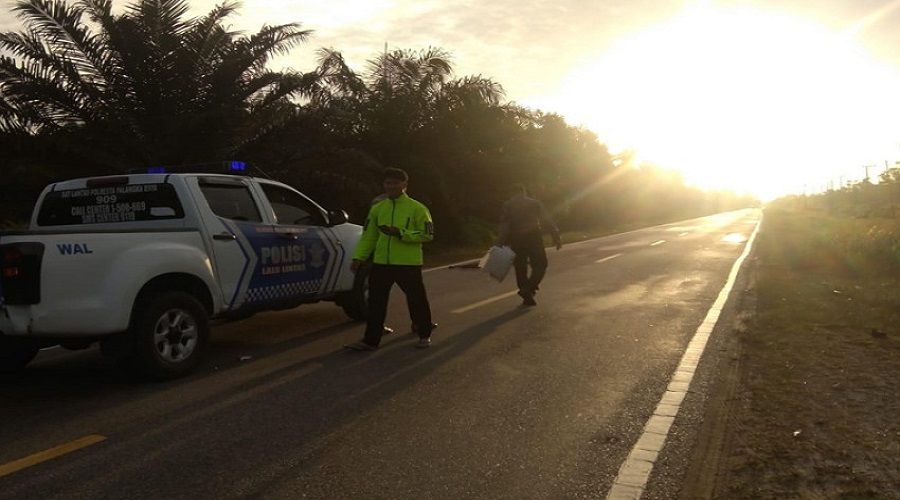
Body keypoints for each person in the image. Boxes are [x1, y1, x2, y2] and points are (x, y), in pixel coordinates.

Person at [345, 168, 436, 350]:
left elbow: (428, 235)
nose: (391, 186)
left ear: (404, 185)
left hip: (407, 263)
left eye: (395, 183)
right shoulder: (378, 209)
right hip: (382, 263)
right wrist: (359, 257)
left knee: (417, 299)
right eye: (388, 183)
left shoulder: (417, 208)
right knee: (375, 302)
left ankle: (424, 334)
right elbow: (369, 236)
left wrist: (401, 233)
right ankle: (371, 340)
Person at [498, 184, 562, 306]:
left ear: (512, 193)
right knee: (540, 264)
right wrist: (556, 236)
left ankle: (526, 293)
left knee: (520, 266)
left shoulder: (508, 205)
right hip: (533, 236)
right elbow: (546, 219)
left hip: (516, 238)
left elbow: (504, 225)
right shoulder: (534, 203)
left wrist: (500, 242)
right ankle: (529, 288)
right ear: (524, 192)